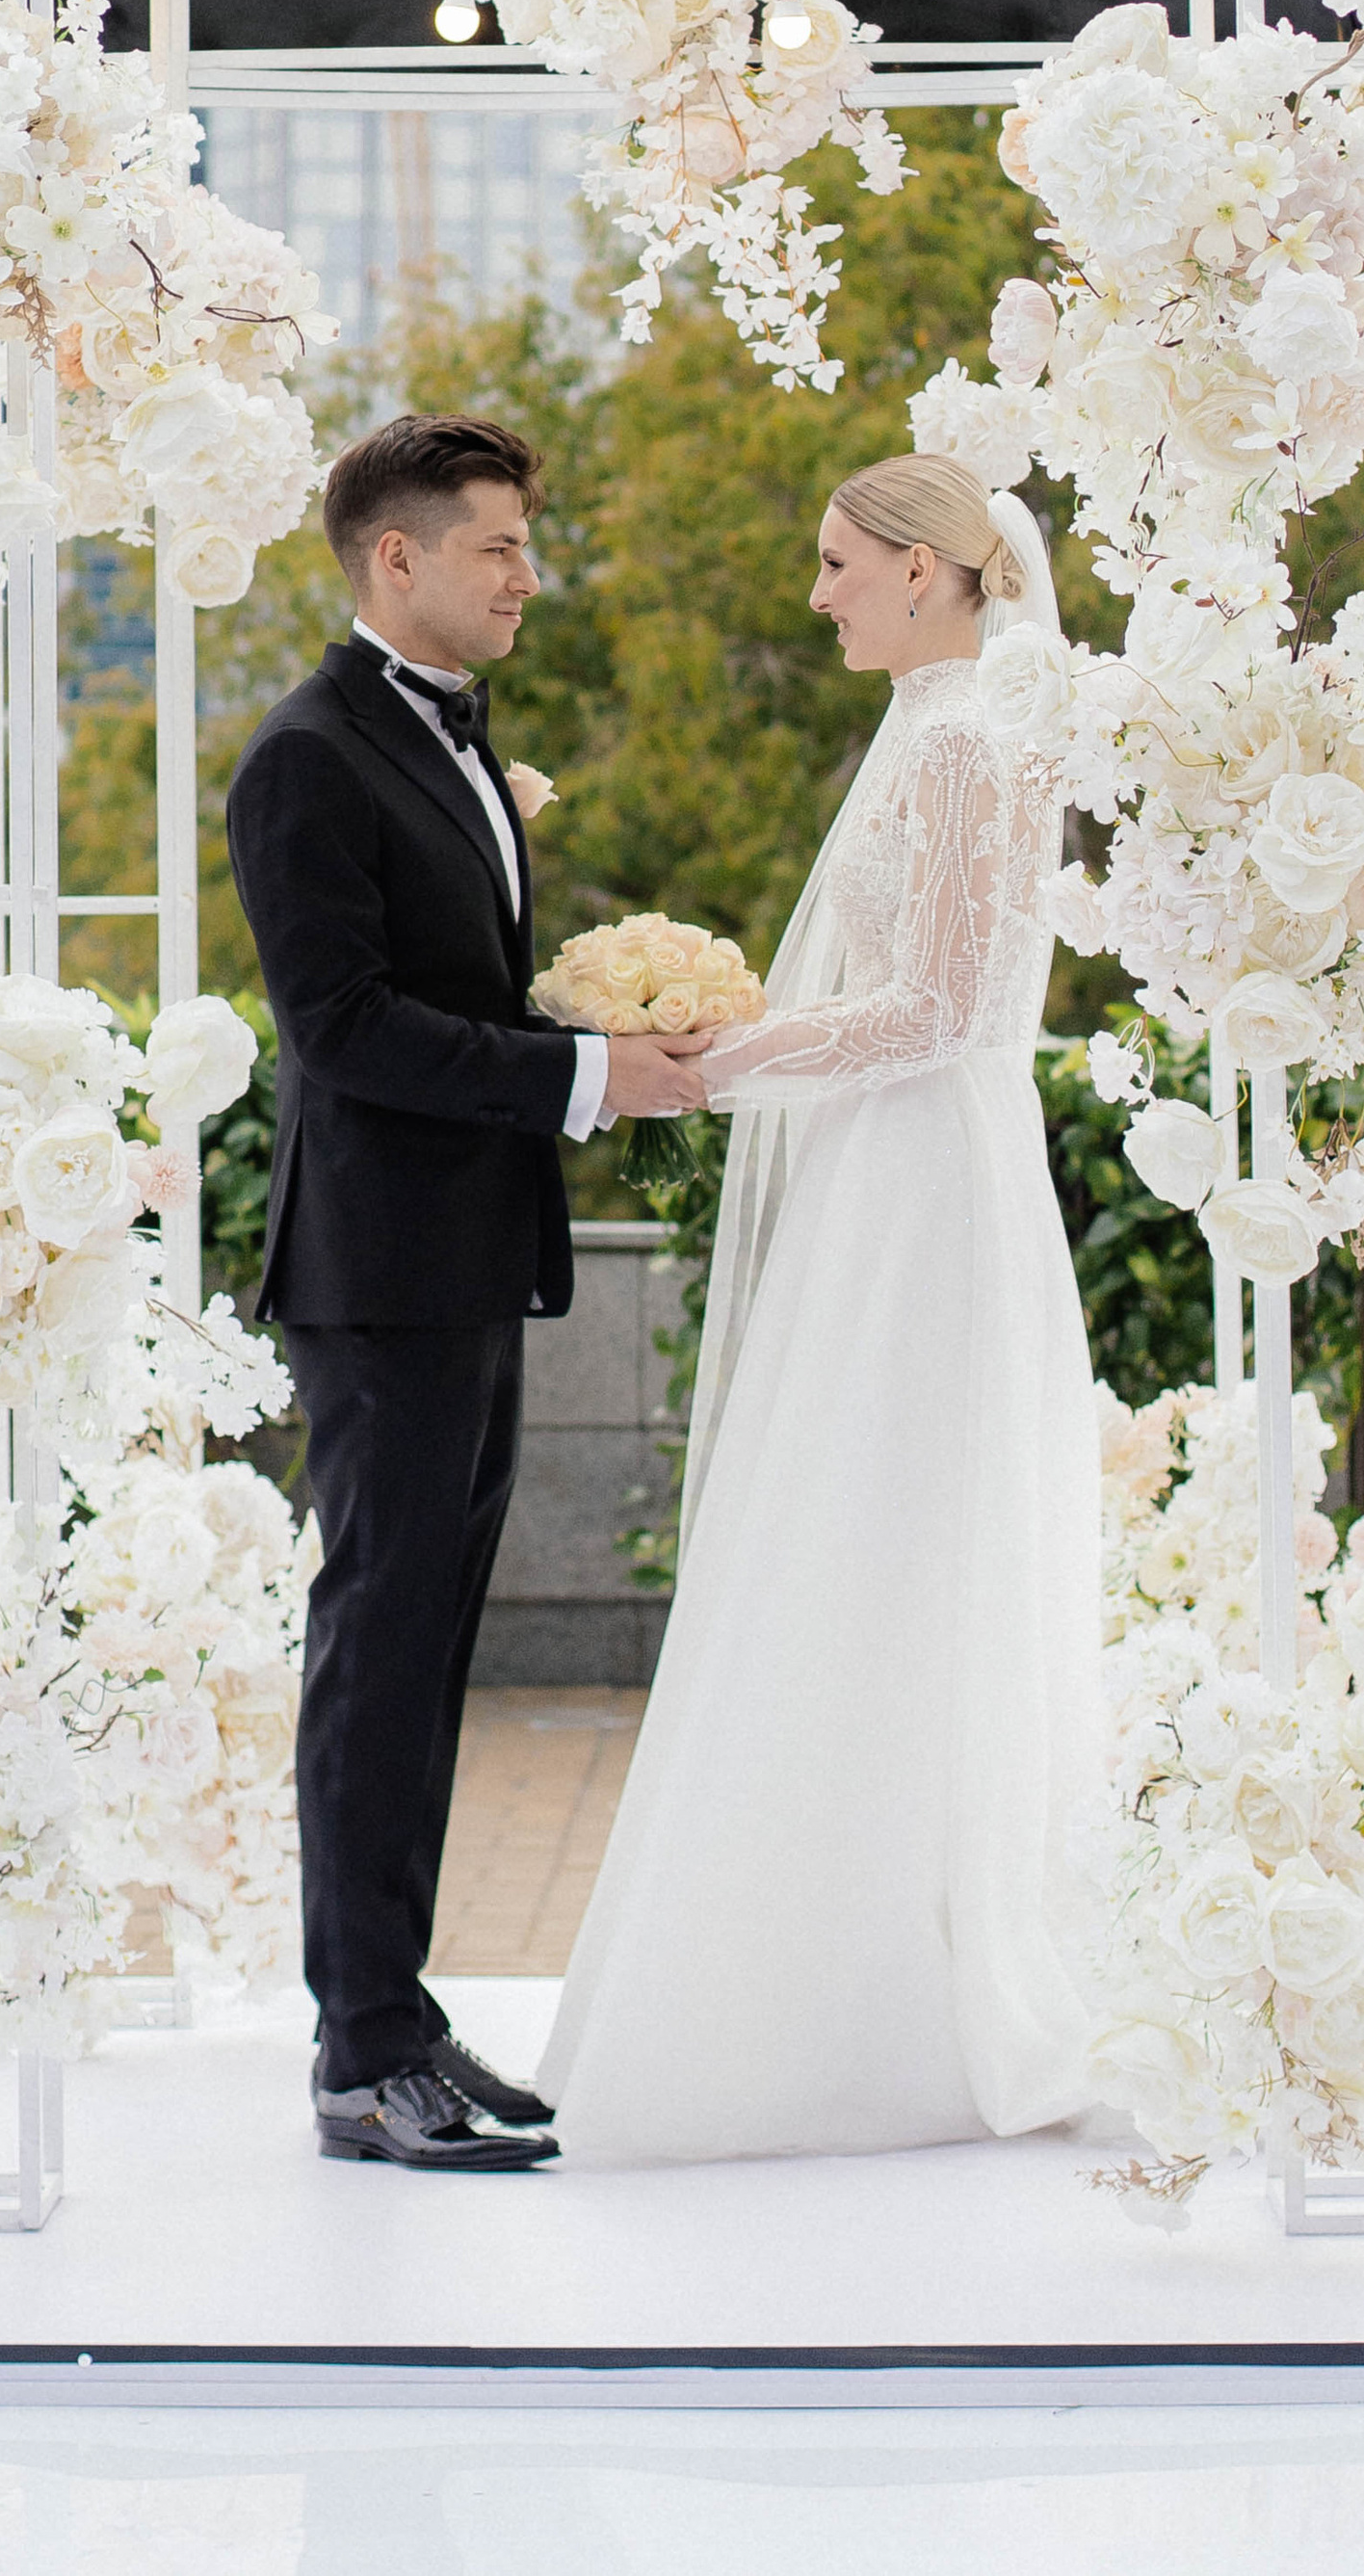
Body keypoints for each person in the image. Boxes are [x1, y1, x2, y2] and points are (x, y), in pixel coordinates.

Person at [539, 453, 1103, 2165]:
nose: (820, 592)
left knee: (886, 1536)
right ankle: (827, 1964)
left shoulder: (965, 740)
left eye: (842, 562)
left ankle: (878, 2000)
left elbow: (935, 1009)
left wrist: (711, 1062)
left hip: (923, 1178)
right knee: (851, 1540)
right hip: (897, 1170)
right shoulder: (936, 727)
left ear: (934, 572)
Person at [225, 412, 709, 2172]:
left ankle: (400, 2017)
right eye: (497, 546)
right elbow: (339, 1031)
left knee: (424, 1654)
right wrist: (591, 1083)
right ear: (395, 562)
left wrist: (594, 1041)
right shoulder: (304, 757)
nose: (528, 575)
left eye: (524, 543)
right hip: (377, 1279)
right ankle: (361, 2053)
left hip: (462, 1264)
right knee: (376, 1656)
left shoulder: (451, 738)